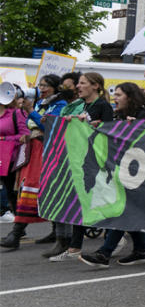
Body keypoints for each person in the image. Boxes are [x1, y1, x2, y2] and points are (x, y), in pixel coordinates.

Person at [78, 83, 145, 267]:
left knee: (125, 209)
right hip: (122, 168)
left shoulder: (144, 114)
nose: (115, 98)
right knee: (130, 209)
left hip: (141, 169)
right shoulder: (118, 115)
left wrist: (136, 127)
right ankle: (140, 251)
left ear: (129, 97)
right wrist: (99, 126)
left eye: (119, 95)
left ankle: (105, 253)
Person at [48, 72, 114, 263]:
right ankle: (74, 248)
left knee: (101, 203)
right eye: (78, 83)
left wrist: (95, 125)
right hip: (81, 160)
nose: (78, 86)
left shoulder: (103, 105)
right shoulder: (82, 105)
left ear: (95, 86)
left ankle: (118, 237)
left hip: (97, 162)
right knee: (81, 203)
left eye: (83, 83)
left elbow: (109, 132)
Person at [0, 76, 71, 250]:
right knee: (30, 188)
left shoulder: (60, 105)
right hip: (34, 150)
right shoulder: (42, 103)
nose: (42, 88)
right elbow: (32, 124)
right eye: (40, 85)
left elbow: (51, 127)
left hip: (48, 152)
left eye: (45, 85)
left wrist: (31, 111)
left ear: (55, 88)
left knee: (33, 188)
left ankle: (16, 234)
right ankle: (54, 231)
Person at [0, 87, 30, 234]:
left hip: (10, 159)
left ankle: (18, 228)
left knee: (13, 192)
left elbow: (25, 135)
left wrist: (4, 139)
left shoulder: (15, 113)